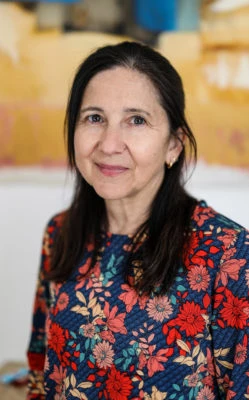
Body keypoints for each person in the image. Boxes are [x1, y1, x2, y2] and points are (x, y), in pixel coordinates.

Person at [26, 41, 249, 400]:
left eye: (137, 120)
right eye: (94, 118)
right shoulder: (60, 233)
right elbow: (40, 371)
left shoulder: (227, 254)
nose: (109, 144)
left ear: (174, 145)